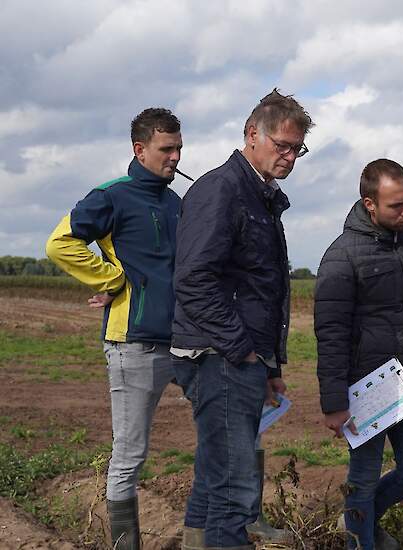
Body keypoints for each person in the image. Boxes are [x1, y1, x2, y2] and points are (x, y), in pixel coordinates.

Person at [170, 89, 313, 549]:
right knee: (235, 490)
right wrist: (242, 349)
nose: (289, 157)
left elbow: (259, 289)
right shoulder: (222, 189)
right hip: (219, 357)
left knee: (216, 476)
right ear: (253, 134)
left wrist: (269, 367)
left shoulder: (262, 196)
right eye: (282, 146)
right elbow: (193, 279)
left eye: (297, 149)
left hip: (238, 357)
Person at [45, 108, 183, 550]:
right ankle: (126, 545)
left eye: (179, 148)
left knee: (230, 426)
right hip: (134, 345)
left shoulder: (177, 202)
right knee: (130, 454)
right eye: (167, 149)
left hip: (186, 342)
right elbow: (59, 243)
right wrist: (113, 280)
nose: (176, 158)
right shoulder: (111, 195)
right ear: (139, 150)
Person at [315, 158, 403, 550]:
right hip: (367, 387)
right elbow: (331, 333)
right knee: (364, 475)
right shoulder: (342, 256)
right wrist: (334, 402)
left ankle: (360, 517)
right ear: (369, 204)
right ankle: (361, 540)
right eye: (396, 206)